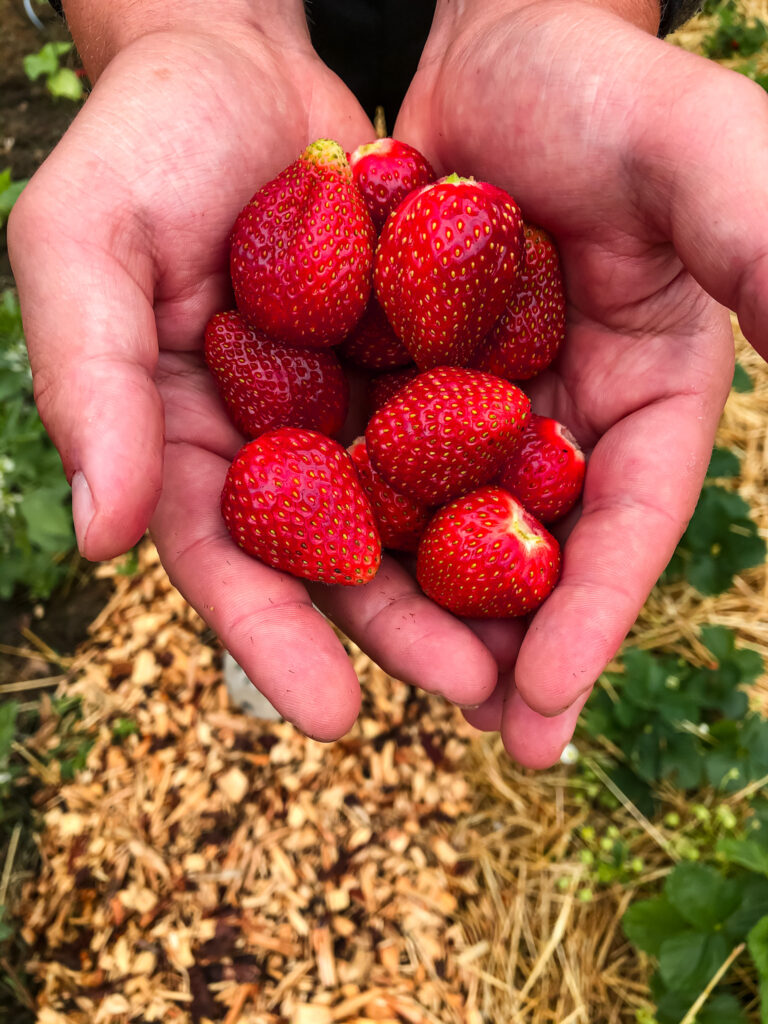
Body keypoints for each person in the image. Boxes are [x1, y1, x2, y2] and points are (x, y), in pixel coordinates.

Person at [8, 0, 761, 769]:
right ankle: (286, 597)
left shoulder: (447, 331)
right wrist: (173, 30)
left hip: (492, 60)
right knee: (261, 534)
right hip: (250, 76)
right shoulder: (324, 303)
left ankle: (306, 592)